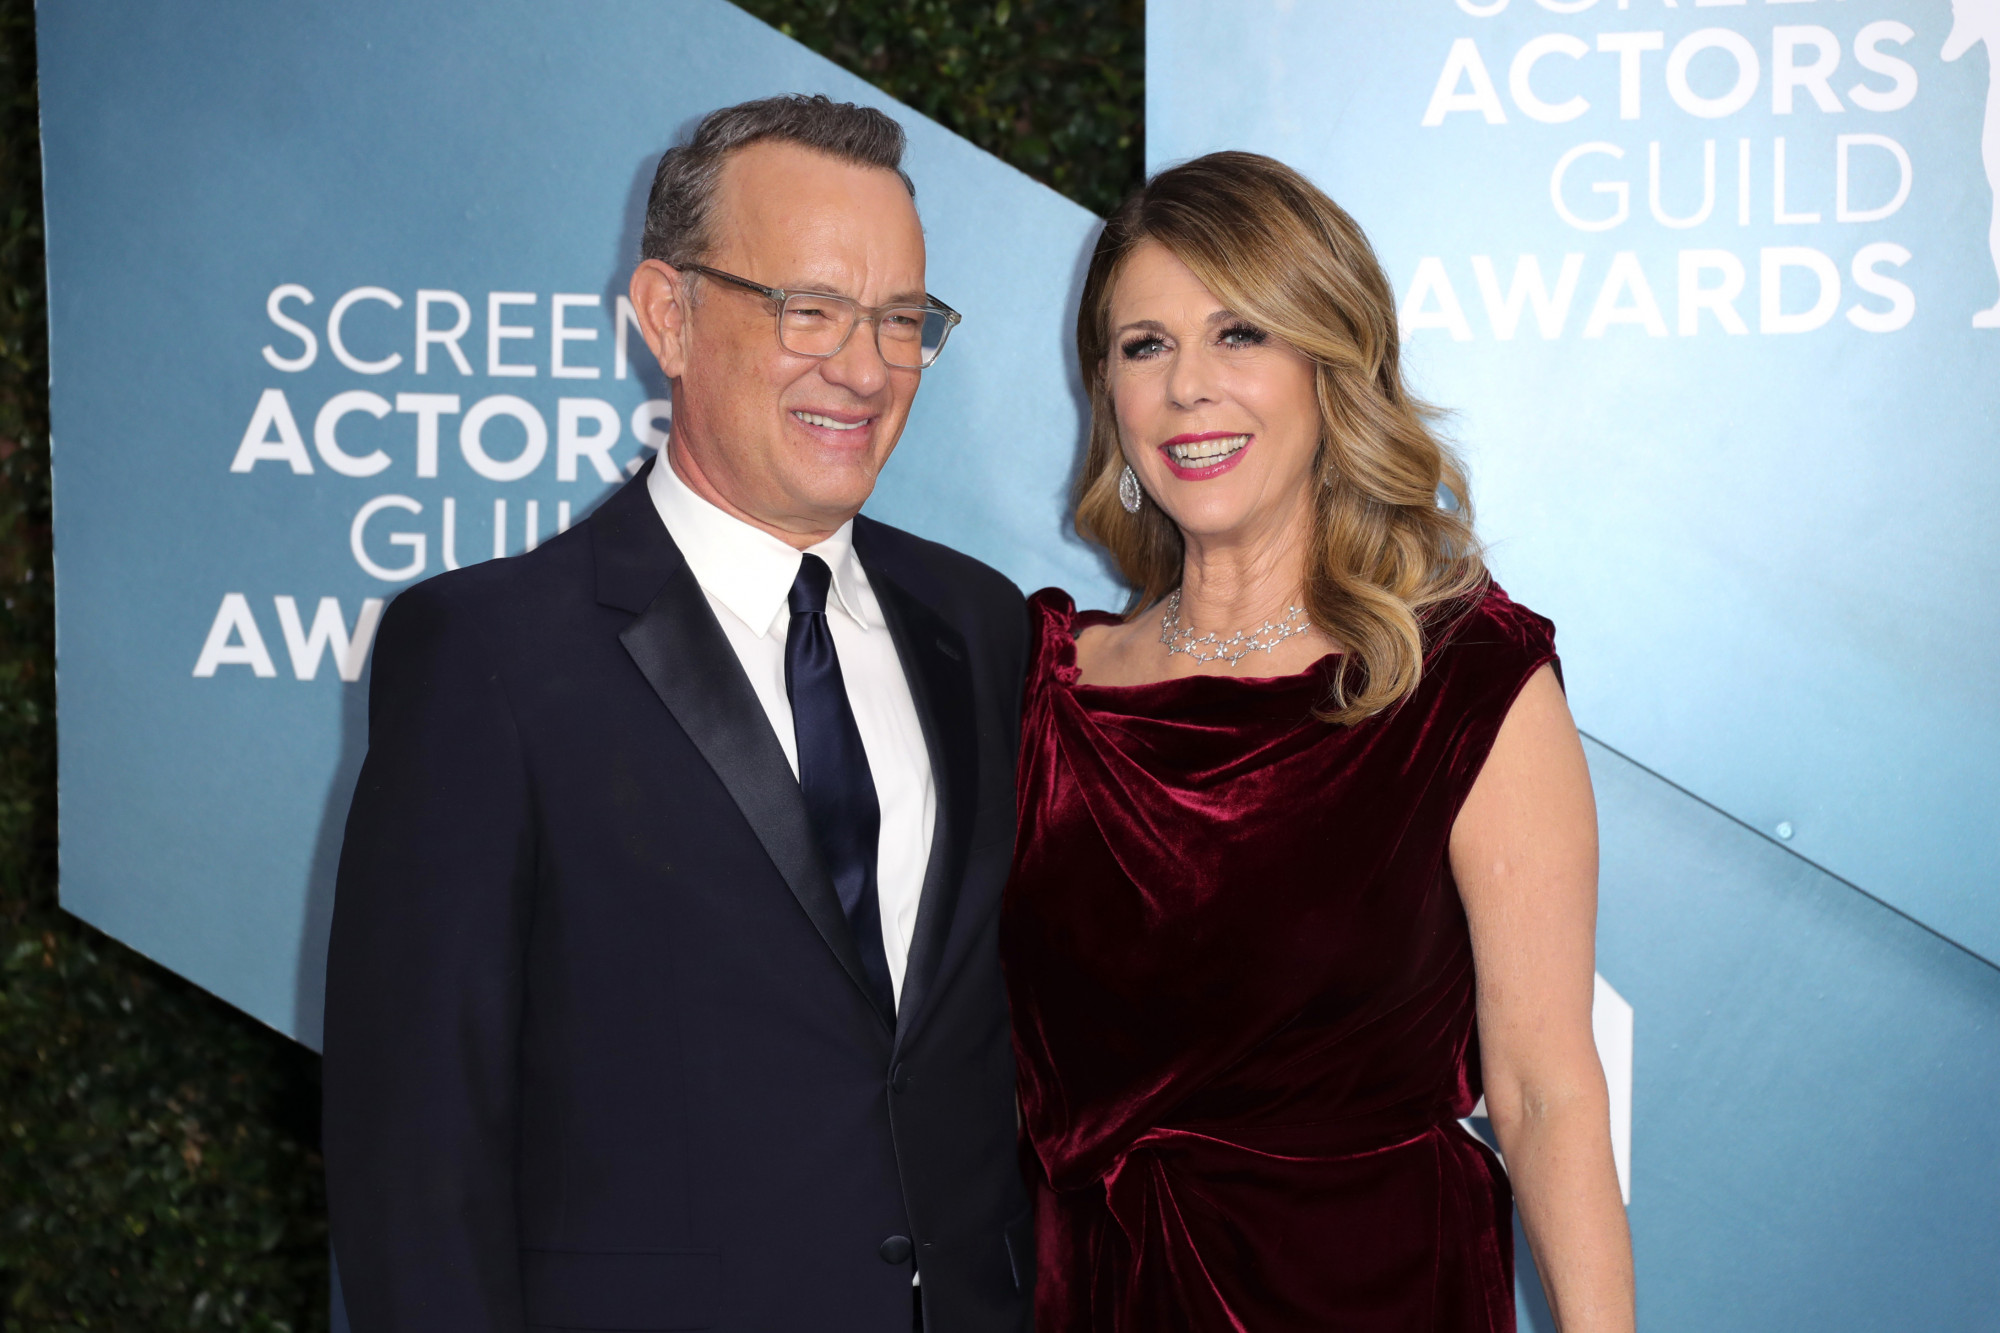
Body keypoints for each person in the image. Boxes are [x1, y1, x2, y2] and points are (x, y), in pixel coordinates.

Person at [323, 95, 1034, 1333]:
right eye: (807, 309)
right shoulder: (489, 654)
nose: (863, 368)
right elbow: (417, 1166)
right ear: (668, 313)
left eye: (902, 320)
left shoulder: (980, 626)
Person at [999, 151, 1635, 1331]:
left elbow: (1545, 1092)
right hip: (1089, 1296)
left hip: (1372, 1293)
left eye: (1239, 333)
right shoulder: (1042, 684)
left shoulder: (1463, 680)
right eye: (1145, 346)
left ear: (1331, 366)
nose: (1188, 386)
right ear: (1108, 394)